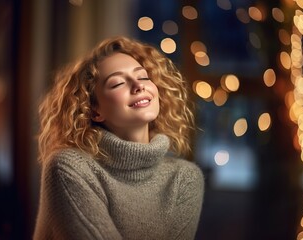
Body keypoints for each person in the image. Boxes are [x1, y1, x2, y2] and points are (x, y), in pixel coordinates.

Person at [33, 36, 204, 240]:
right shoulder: (68, 167)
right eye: (118, 83)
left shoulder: (185, 178)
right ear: (94, 110)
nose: (138, 86)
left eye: (143, 77)